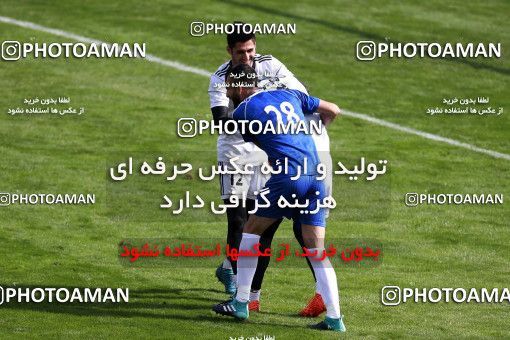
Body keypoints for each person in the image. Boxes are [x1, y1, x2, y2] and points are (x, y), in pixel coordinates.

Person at [208, 24, 332, 316]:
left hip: (277, 152)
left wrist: (278, 124)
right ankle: (239, 282)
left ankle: (247, 293)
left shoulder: (271, 65)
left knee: (278, 227)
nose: (247, 57)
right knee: (241, 220)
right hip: (238, 151)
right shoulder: (219, 78)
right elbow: (222, 120)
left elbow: (301, 95)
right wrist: (262, 118)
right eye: (241, 52)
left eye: (251, 50)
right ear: (230, 52)